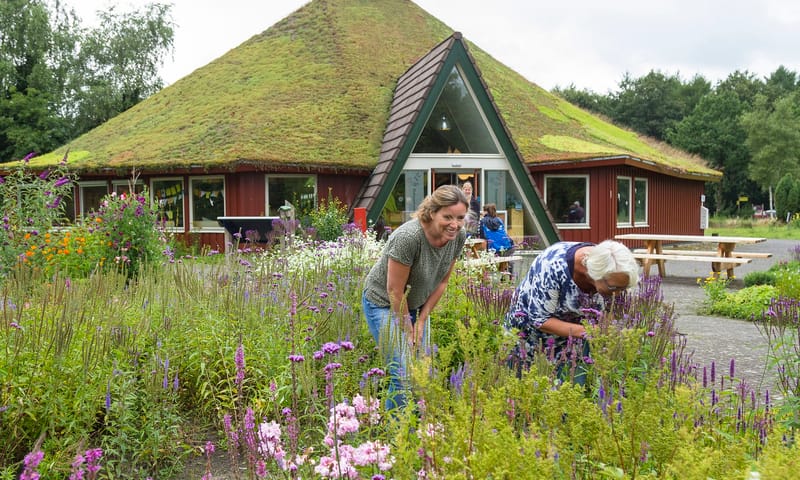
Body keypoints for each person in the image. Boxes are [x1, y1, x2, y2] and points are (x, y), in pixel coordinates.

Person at [362, 185, 469, 410]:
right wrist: (408, 329)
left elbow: (442, 281)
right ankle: (397, 435)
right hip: (384, 303)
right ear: (432, 212)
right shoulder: (409, 237)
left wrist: (421, 320)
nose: (454, 224)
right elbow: (394, 291)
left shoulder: (458, 237)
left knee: (420, 371)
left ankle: (415, 429)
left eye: (460, 218)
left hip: (417, 305)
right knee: (403, 373)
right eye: (447, 217)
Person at [504, 240, 639, 383]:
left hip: (574, 344)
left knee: (571, 394)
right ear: (595, 275)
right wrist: (592, 332)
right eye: (614, 288)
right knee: (521, 391)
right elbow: (540, 320)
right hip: (528, 338)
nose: (617, 295)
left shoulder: (611, 267)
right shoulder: (552, 266)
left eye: (623, 289)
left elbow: (609, 312)